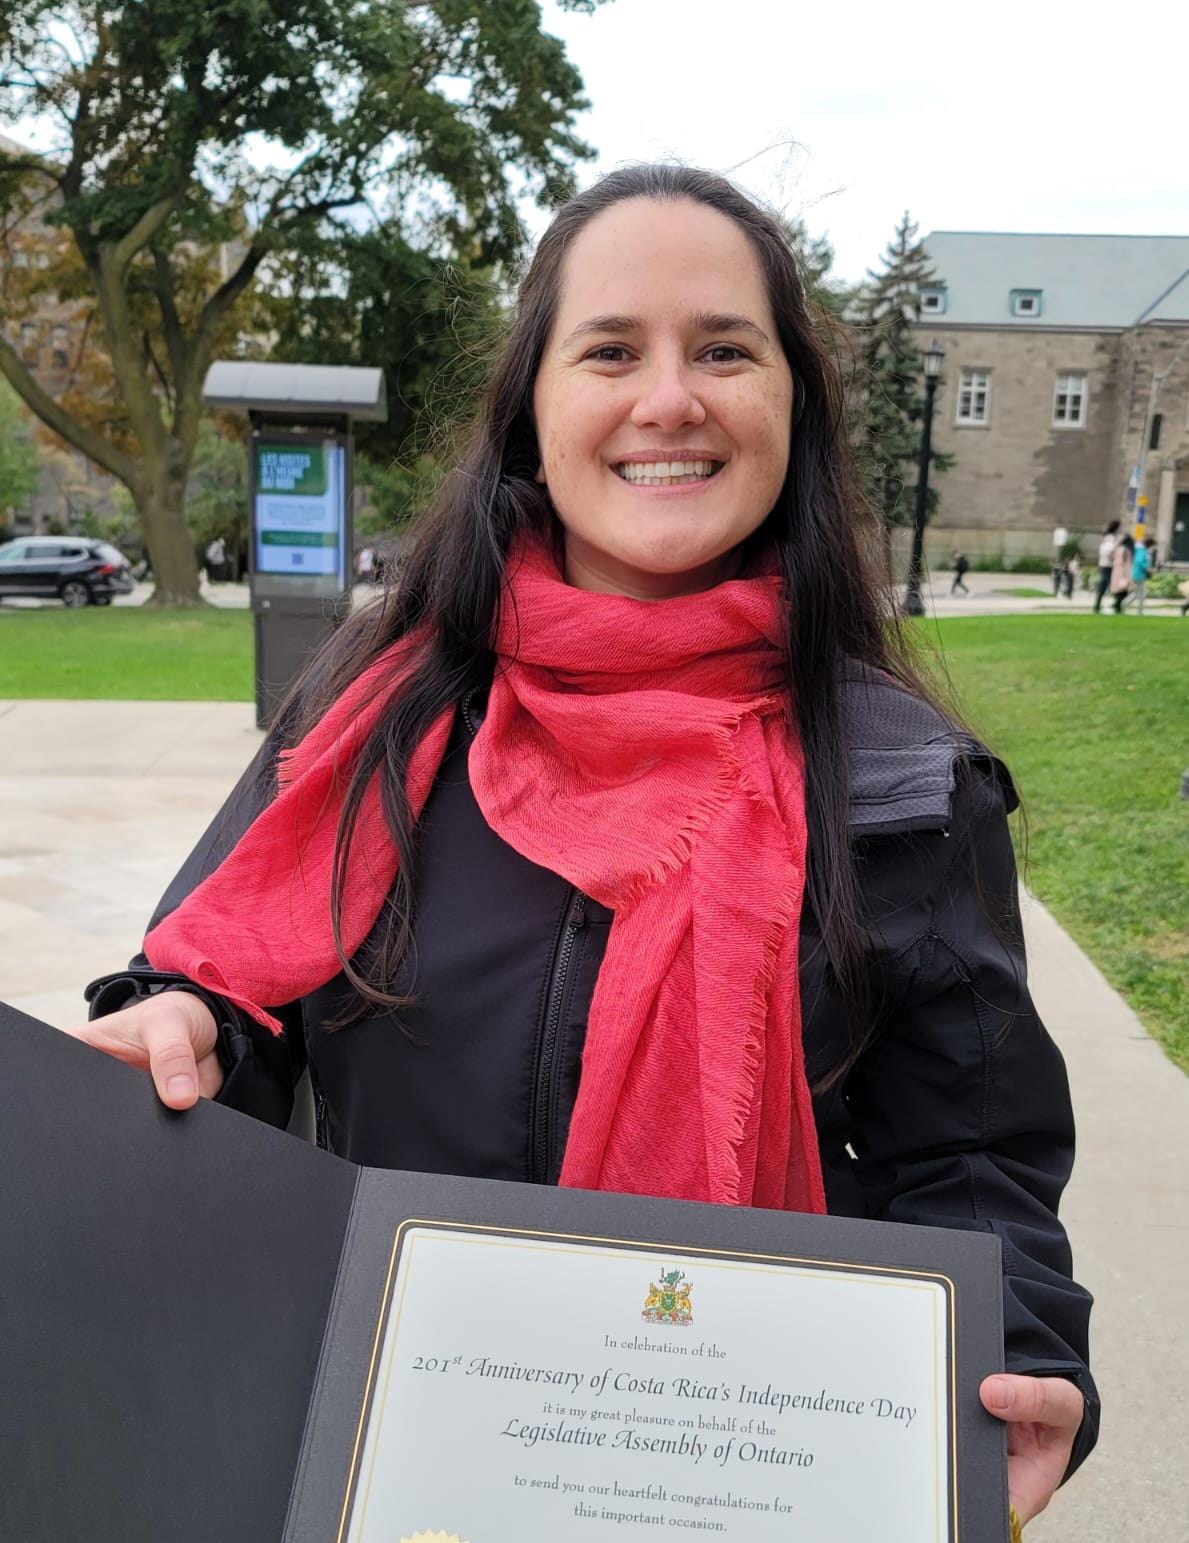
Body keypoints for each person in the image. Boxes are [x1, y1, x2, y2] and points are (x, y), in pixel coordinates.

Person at [72, 165, 1097, 1529]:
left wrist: (1019, 1352)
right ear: (533, 412)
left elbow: (970, 1161)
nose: (668, 399)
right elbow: (226, 995)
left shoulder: (904, 782)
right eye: (610, 350)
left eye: (723, 350)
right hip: (385, 1458)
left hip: (739, 1479)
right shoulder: (375, 715)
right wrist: (178, 1027)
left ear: (791, 405)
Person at [1093, 520, 1119, 613]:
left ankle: (1100, 604)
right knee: (1106, 584)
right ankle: (1113, 604)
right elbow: (1109, 551)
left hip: (1104, 564)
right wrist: (1114, 557)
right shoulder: (1111, 538)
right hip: (1108, 565)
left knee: (1106, 585)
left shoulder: (1106, 538)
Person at [1110, 532, 1135, 612]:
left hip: (1116, 571)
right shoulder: (1126, 550)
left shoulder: (1118, 549)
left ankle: (1117, 605)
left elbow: (1112, 558)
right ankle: (1117, 605)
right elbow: (1124, 562)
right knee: (1124, 590)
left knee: (1119, 590)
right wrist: (1125, 574)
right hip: (1123, 572)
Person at [1130, 537, 1153, 615]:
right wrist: (1147, 568)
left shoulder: (1141, 551)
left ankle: (1139, 610)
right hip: (1139, 574)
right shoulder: (1142, 552)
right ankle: (1139, 611)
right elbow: (1139, 561)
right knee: (1140, 593)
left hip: (1139, 574)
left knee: (1139, 593)